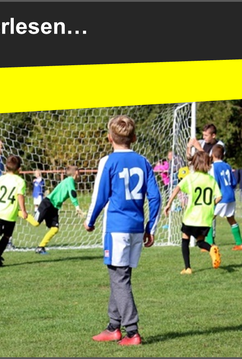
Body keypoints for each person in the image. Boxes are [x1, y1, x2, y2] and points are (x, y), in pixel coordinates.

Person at [84, 115, 161, 346]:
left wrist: (90, 220)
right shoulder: (144, 161)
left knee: (119, 279)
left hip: (116, 228)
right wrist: (151, 227)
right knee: (120, 276)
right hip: (137, 228)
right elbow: (155, 197)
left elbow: (100, 195)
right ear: (134, 138)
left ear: (110, 138)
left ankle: (132, 332)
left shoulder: (108, 161)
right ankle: (112, 327)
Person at [164, 151, 222, 274]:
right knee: (200, 242)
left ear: (194, 163)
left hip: (191, 216)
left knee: (185, 239)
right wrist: (211, 205)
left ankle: (187, 268)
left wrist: (168, 204)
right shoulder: (211, 180)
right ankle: (211, 248)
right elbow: (219, 197)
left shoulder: (191, 178)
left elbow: (177, 188)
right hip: (205, 217)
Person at [20, 165, 85, 254]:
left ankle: (40, 247)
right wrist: (77, 206)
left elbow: (70, 193)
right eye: (79, 173)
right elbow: (72, 193)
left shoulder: (68, 181)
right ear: (76, 172)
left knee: (55, 228)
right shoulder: (70, 180)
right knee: (36, 223)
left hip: (54, 207)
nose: (80, 175)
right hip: (48, 203)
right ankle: (18, 212)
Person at [206, 144, 242, 250]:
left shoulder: (213, 167)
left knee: (208, 218)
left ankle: (209, 244)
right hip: (231, 196)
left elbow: (214, 182)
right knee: (231, 219)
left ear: (212, 155)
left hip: (221, 197)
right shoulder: (227, 166)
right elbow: (233, 182)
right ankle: (239, 243)